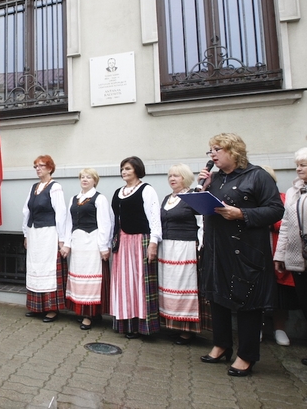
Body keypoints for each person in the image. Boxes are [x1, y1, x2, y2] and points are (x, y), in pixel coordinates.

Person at [198, 133, 283, 377]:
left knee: (247, 300)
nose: (212, 154)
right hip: (217, 248)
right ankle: (221, 344)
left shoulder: (257, 176)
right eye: (210, 150)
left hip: (245, 250)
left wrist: (242, 214)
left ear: (233, 151)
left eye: (217, 149)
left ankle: (247, 355)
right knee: (217, 295)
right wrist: (202, 189)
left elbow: (276, 209)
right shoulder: (214, 178)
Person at [109, 156, 162, 339]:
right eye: (123, 169)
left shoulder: (146, 190)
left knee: (140, 282)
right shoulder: (118, 192)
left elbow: (154, 217)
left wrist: (154, 242)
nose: (124, 172)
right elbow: (113, 219)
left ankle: (144, 326)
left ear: (137, 170)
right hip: (122, 242)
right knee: (125, 283)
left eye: (128, 169)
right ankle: (128, 324)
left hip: (140, 241)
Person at [61, 168, 113, 330]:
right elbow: (68, 223)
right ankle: (82, 311)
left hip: (92, 242)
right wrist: (67, 244)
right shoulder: (74, 199)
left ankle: (90, 314)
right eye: (82, 177)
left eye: (88, 177)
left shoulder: (100, 199)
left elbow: (105, 223)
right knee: (80, 277)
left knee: (91, 278)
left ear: (94, 180)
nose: (84, 179)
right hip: (78, 242)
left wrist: (104, 246)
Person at [157, 164, 203, 344]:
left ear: (185, 177)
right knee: (169, 285)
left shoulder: (193, 197)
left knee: (183, 286)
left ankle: (187, 330)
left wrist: (200, 246)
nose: (172, 179)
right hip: (167, 248)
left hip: (184, 247)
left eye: (176, 176)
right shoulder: (168, 198)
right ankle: (173, 325)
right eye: (170, 176)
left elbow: (202, 223)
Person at [22, 155, 68, 322]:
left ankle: (52, 309)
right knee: (36, 268)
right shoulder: (34, 187)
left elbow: (61, 213)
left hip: (49, 233)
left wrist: (62, 238)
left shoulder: (55, 187)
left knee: (48, 269)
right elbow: (26, 211)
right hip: (35, 233)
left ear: (50, 168)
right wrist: (26, 233)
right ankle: (37, 307)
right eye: (36, 166)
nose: (38, 169)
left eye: (41, 166)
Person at [273, 147, 307, 367]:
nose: (298, 168)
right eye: (298, 164)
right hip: (298, 258)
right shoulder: (294, 191)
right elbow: (285, 225)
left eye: (303, 164)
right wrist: (280, 254)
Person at [261, 165, 294, 346]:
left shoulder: (283, 197)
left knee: (280, 294)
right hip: (256, 254)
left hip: (277, 253)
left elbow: (287, 222)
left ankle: (279, 328)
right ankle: (256, 327)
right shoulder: (249, 200)